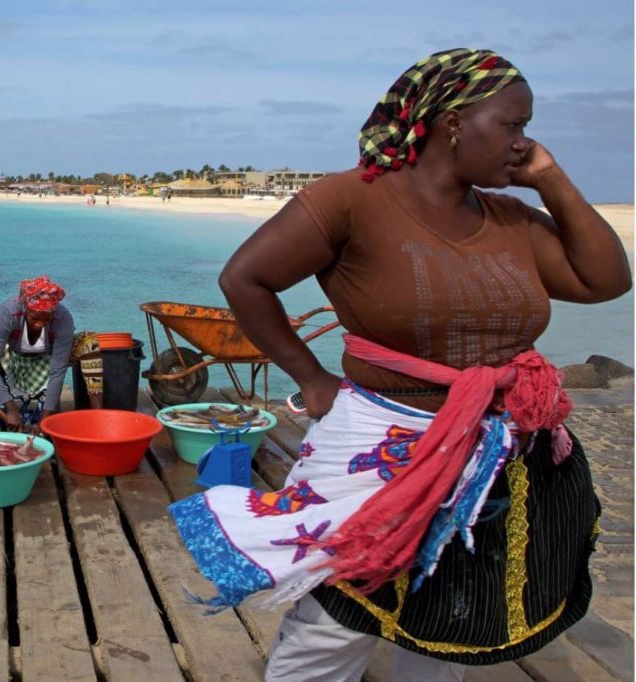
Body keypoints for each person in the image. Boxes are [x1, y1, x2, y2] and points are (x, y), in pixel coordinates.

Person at [168, 48, 631, 681]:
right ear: (453, 123)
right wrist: (312, 377)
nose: (525, 143)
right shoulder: (349, 201)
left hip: (492, 449)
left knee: (448, 612)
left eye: (527, 128)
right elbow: (245, 278)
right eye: (513, 125)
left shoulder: (511, 217)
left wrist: (552, 179)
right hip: (381, 443)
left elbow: (605, 281)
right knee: (337, 616)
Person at [0, 275, 103, 431]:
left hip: (48, 358)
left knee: (90, 342)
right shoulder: (9, 312)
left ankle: (99, 420)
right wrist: (11, 407)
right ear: (26, 307)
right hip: (12, 357)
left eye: (46, 319)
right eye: (34, 318)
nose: (39, 324)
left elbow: (58, 372)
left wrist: (45, 419)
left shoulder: (63, 319)